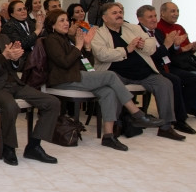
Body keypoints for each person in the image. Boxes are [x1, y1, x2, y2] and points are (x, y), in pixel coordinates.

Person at [43, 9, 163, 150]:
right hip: (63, 79)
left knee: (108, 91)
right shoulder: (51, 39)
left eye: (66, 20)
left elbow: (88, 64)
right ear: (52, 25)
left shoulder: (68, 38)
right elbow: (65, 63)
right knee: (110, 75)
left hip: (77, 76)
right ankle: (137, 113)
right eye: (61, 21)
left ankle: (108, 136)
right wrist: (79, 46)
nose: (66, 23)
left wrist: (87, 47)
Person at [0, 4, 61, 166]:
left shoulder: (3, 38)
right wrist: (4, 56)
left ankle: (34, 146)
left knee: (52, 102)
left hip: (12, 82)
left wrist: (16, 59)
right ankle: (8, 148)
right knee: (10, 106)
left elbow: (16, 64)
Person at [89, 2, 184, 140]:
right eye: (114, 13)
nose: (119, 15)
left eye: (120, 12)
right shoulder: (99, 33)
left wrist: (143, 45)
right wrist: (126, 50)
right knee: (113, 86)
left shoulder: (133, 28)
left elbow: (151, 44)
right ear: (104, 18)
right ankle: (116, 125)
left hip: (143, 72)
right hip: (117, 73)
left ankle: (166, 127)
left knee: (165, 84)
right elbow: (102, 55)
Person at [136, 5, 196, 134]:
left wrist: (176, 46)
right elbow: (151, 56)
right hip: (151, 68)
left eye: (155, 16)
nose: (154, 19)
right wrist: (166, 45)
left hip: (165, 65)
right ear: (140, 19)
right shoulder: (137, 33)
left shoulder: (157, 32)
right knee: (174, 80)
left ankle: (182, 111)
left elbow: (168, 54)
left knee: (195, 79)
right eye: (150, 17)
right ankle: (179, 120)